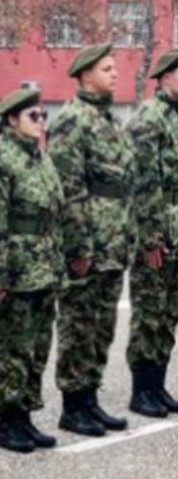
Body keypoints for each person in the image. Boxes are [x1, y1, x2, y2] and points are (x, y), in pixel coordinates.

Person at [48, 43, 135, 437]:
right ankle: (72, 406)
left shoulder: (111, 121)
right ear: (85, 75)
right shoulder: (71, 121)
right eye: (107, 69)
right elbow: (69, 190)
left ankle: (90, 398)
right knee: (78, 324)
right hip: (88, 245)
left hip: (113, 244)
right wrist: (78, 247)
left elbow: (125, 186)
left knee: (102, 326)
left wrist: (127, 237)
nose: (115, 74)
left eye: (115, 68)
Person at [124, 49, 178, 418]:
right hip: (157, 234)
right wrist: (150, 237)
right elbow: (143, 181)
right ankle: (142, 391)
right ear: (165, 78)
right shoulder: (149, 118)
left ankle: (158, 386)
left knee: (168, 314)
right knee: (149, 314)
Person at [0, 87, 64, 452]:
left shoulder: (41, 158)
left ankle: (24, 415)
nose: (40, 122)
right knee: (14, 348)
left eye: (43, 116)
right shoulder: (4, 158)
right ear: (12, 119)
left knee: (38, 347)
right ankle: (6, 418)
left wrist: (58, 265)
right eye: (33, 116)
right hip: (19, 272)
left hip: (44, 269)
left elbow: (54, 215)